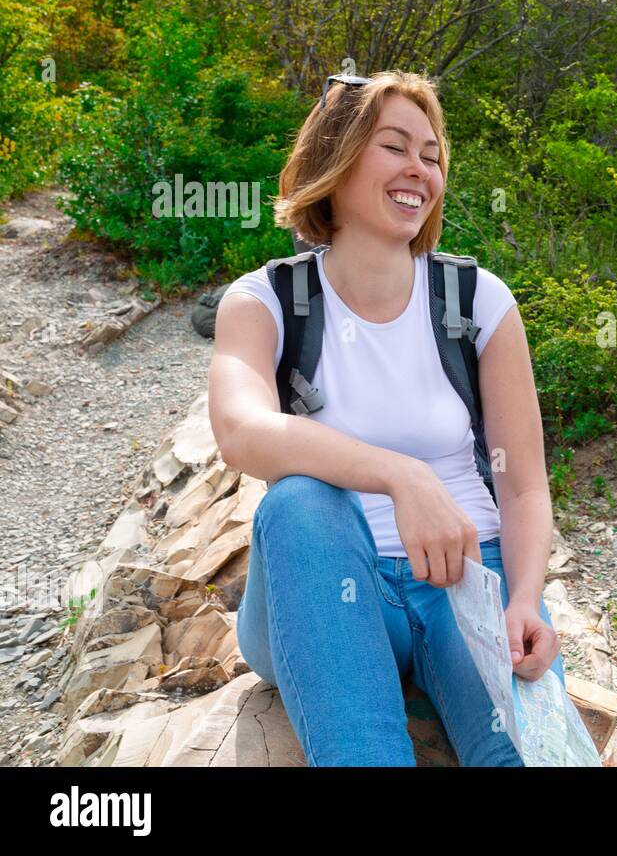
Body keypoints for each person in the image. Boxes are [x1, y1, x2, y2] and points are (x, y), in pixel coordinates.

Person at [207, 70, 565, 766]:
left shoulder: (477, 301)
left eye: (431, 155)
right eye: (394, 147)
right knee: (301, 501)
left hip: (466, 577)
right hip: (326, 584)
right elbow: (241, 432)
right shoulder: (263, 301)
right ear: (334, 161)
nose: (419, 170)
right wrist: (402, 477)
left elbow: (522, 484)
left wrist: (525, 597)